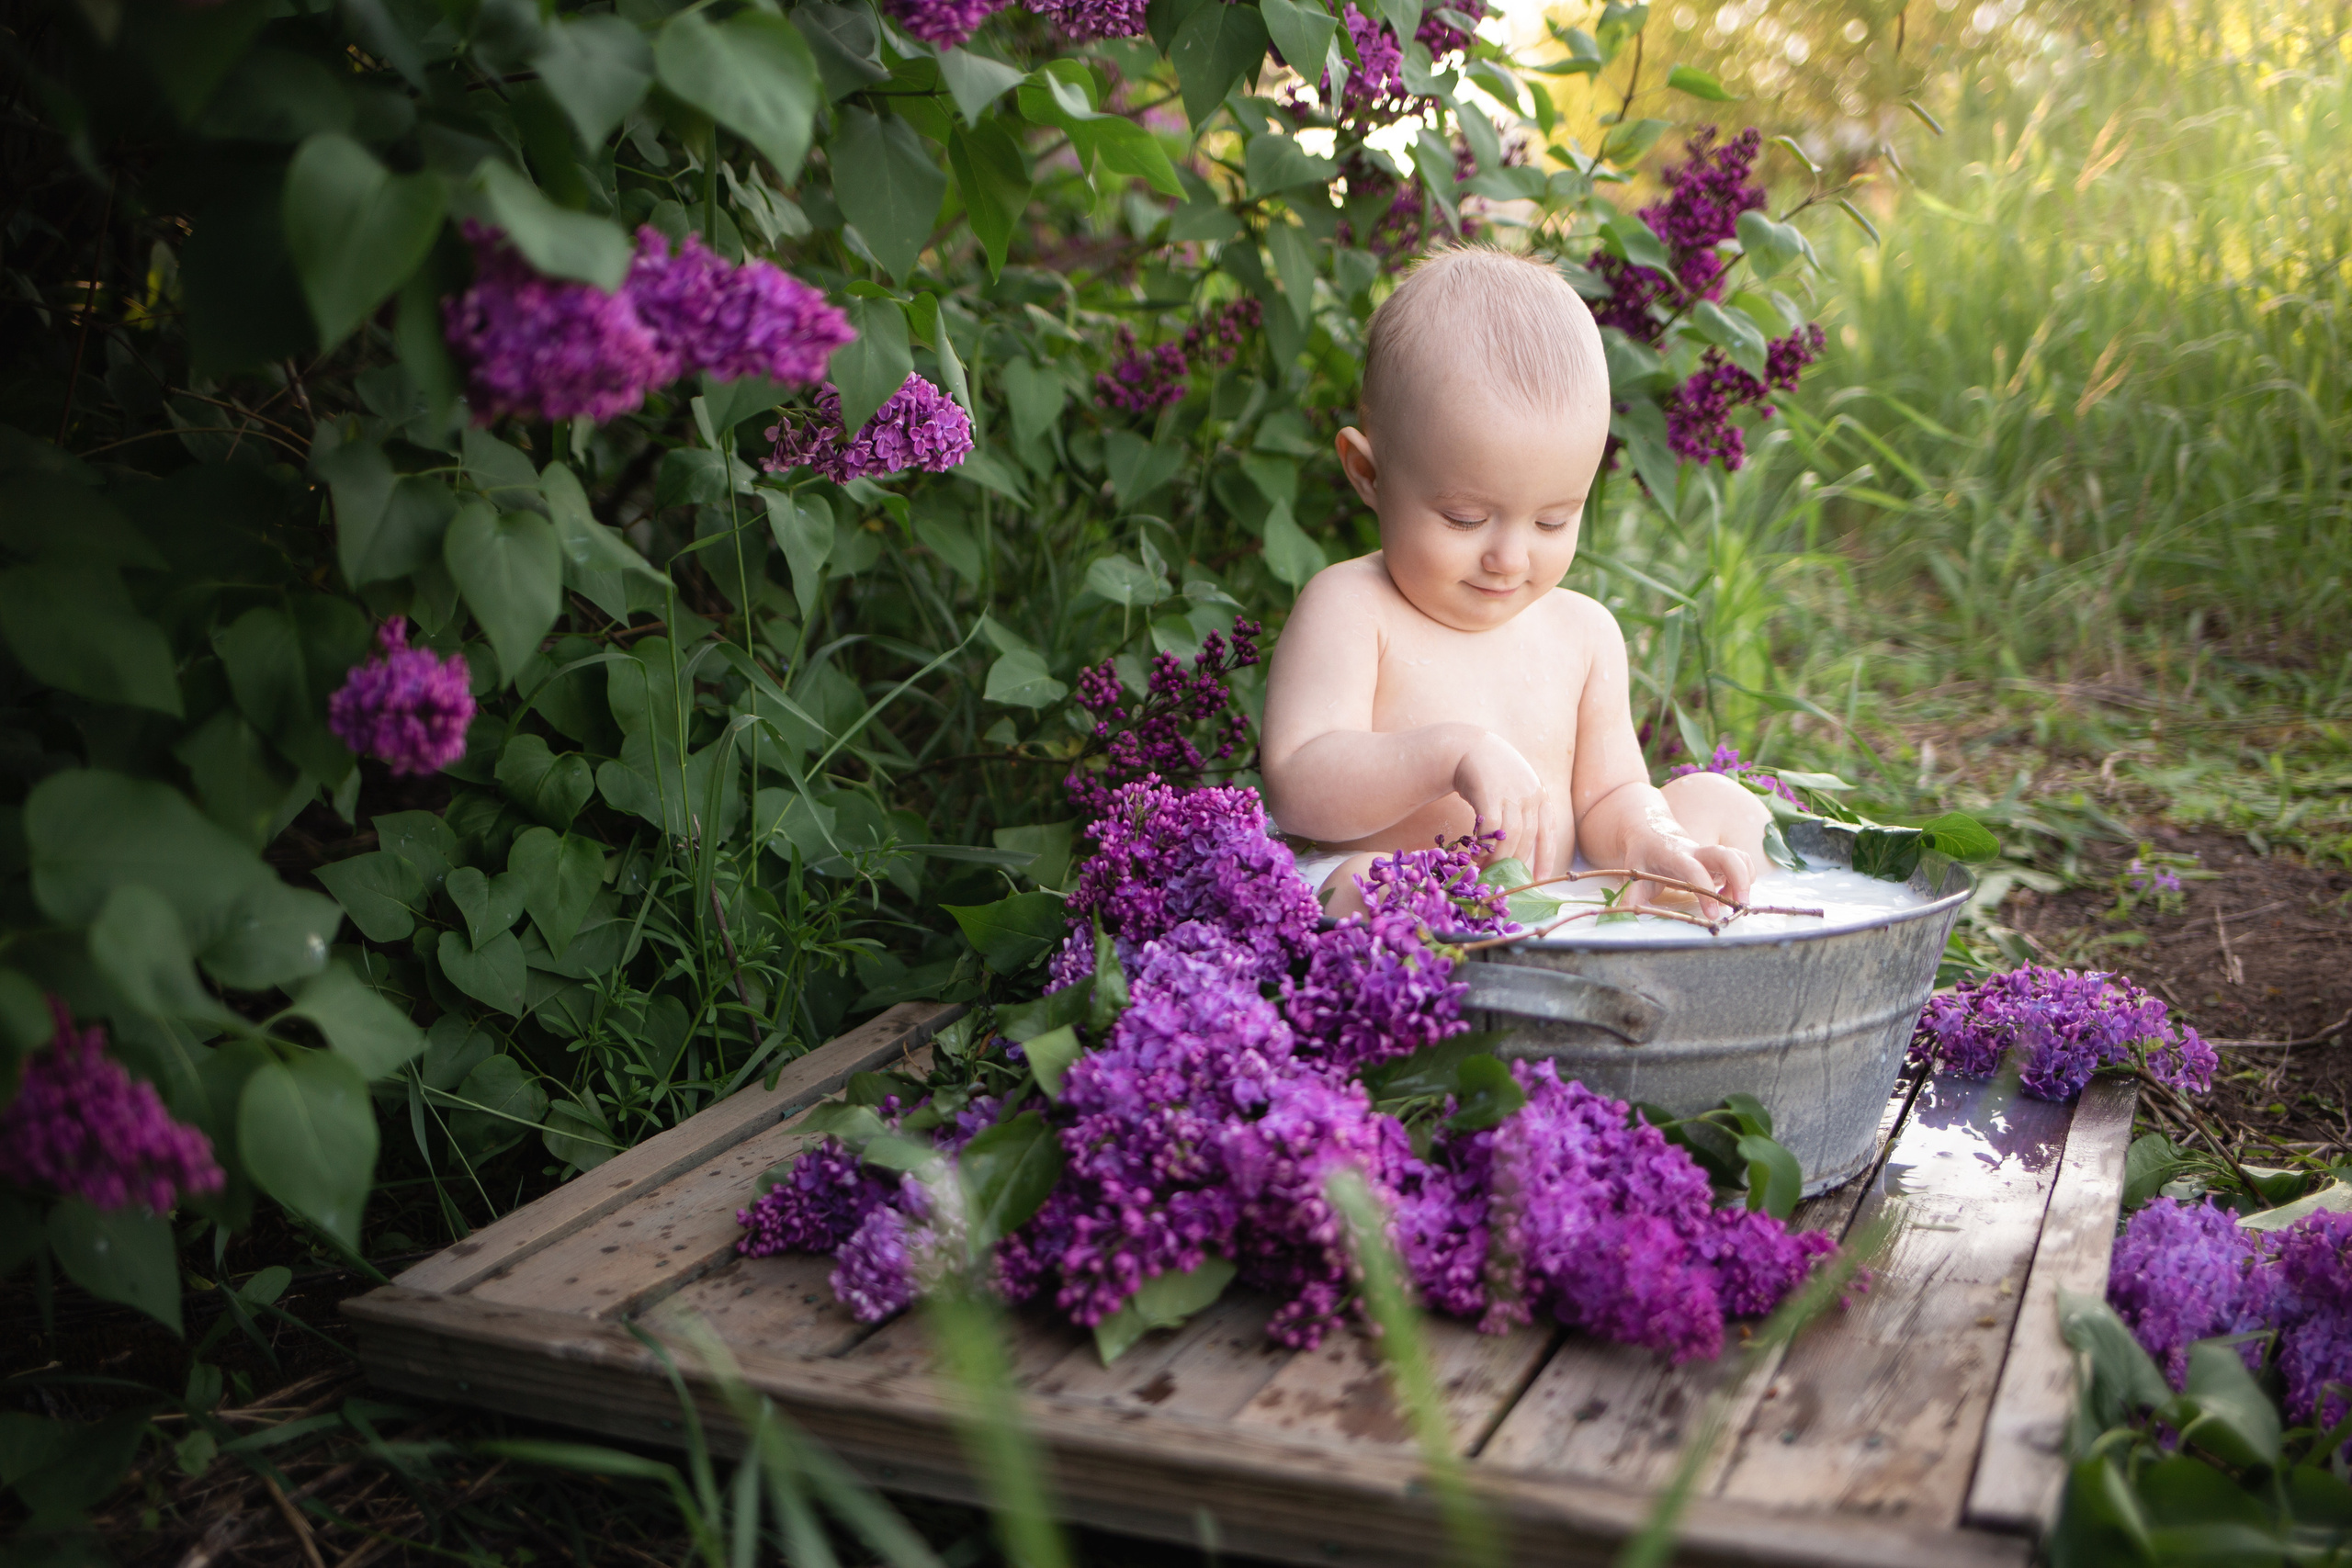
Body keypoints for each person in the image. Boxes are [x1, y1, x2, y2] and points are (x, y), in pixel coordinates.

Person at [1259, 246, 1769, 921]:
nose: (1509, 556)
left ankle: (1691, 920)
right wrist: (1449, 753)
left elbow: (1608, 793)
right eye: (1465, 518)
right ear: (1369, 474)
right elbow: (1298, 783)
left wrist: (1651, 834)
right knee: (1355, 887)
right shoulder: (1352, 609)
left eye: (1553, 520)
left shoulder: (1583, 634)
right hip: (1410, 906)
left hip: (1558, 903)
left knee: (1724, 805)